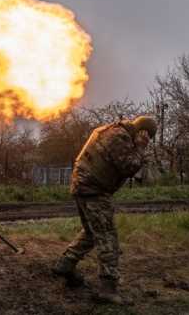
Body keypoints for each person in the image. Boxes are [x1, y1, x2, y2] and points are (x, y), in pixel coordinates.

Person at [52, 115, 157, 304]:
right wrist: (140, 148)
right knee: (108, 238)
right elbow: (129, 167)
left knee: (92, 232)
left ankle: (65, 265)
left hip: (83, 185)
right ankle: (108, 289)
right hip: (94, 189)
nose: (146, 141)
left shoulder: (110, 129)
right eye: (147, 138)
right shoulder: (120, 137)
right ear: (143, 132)